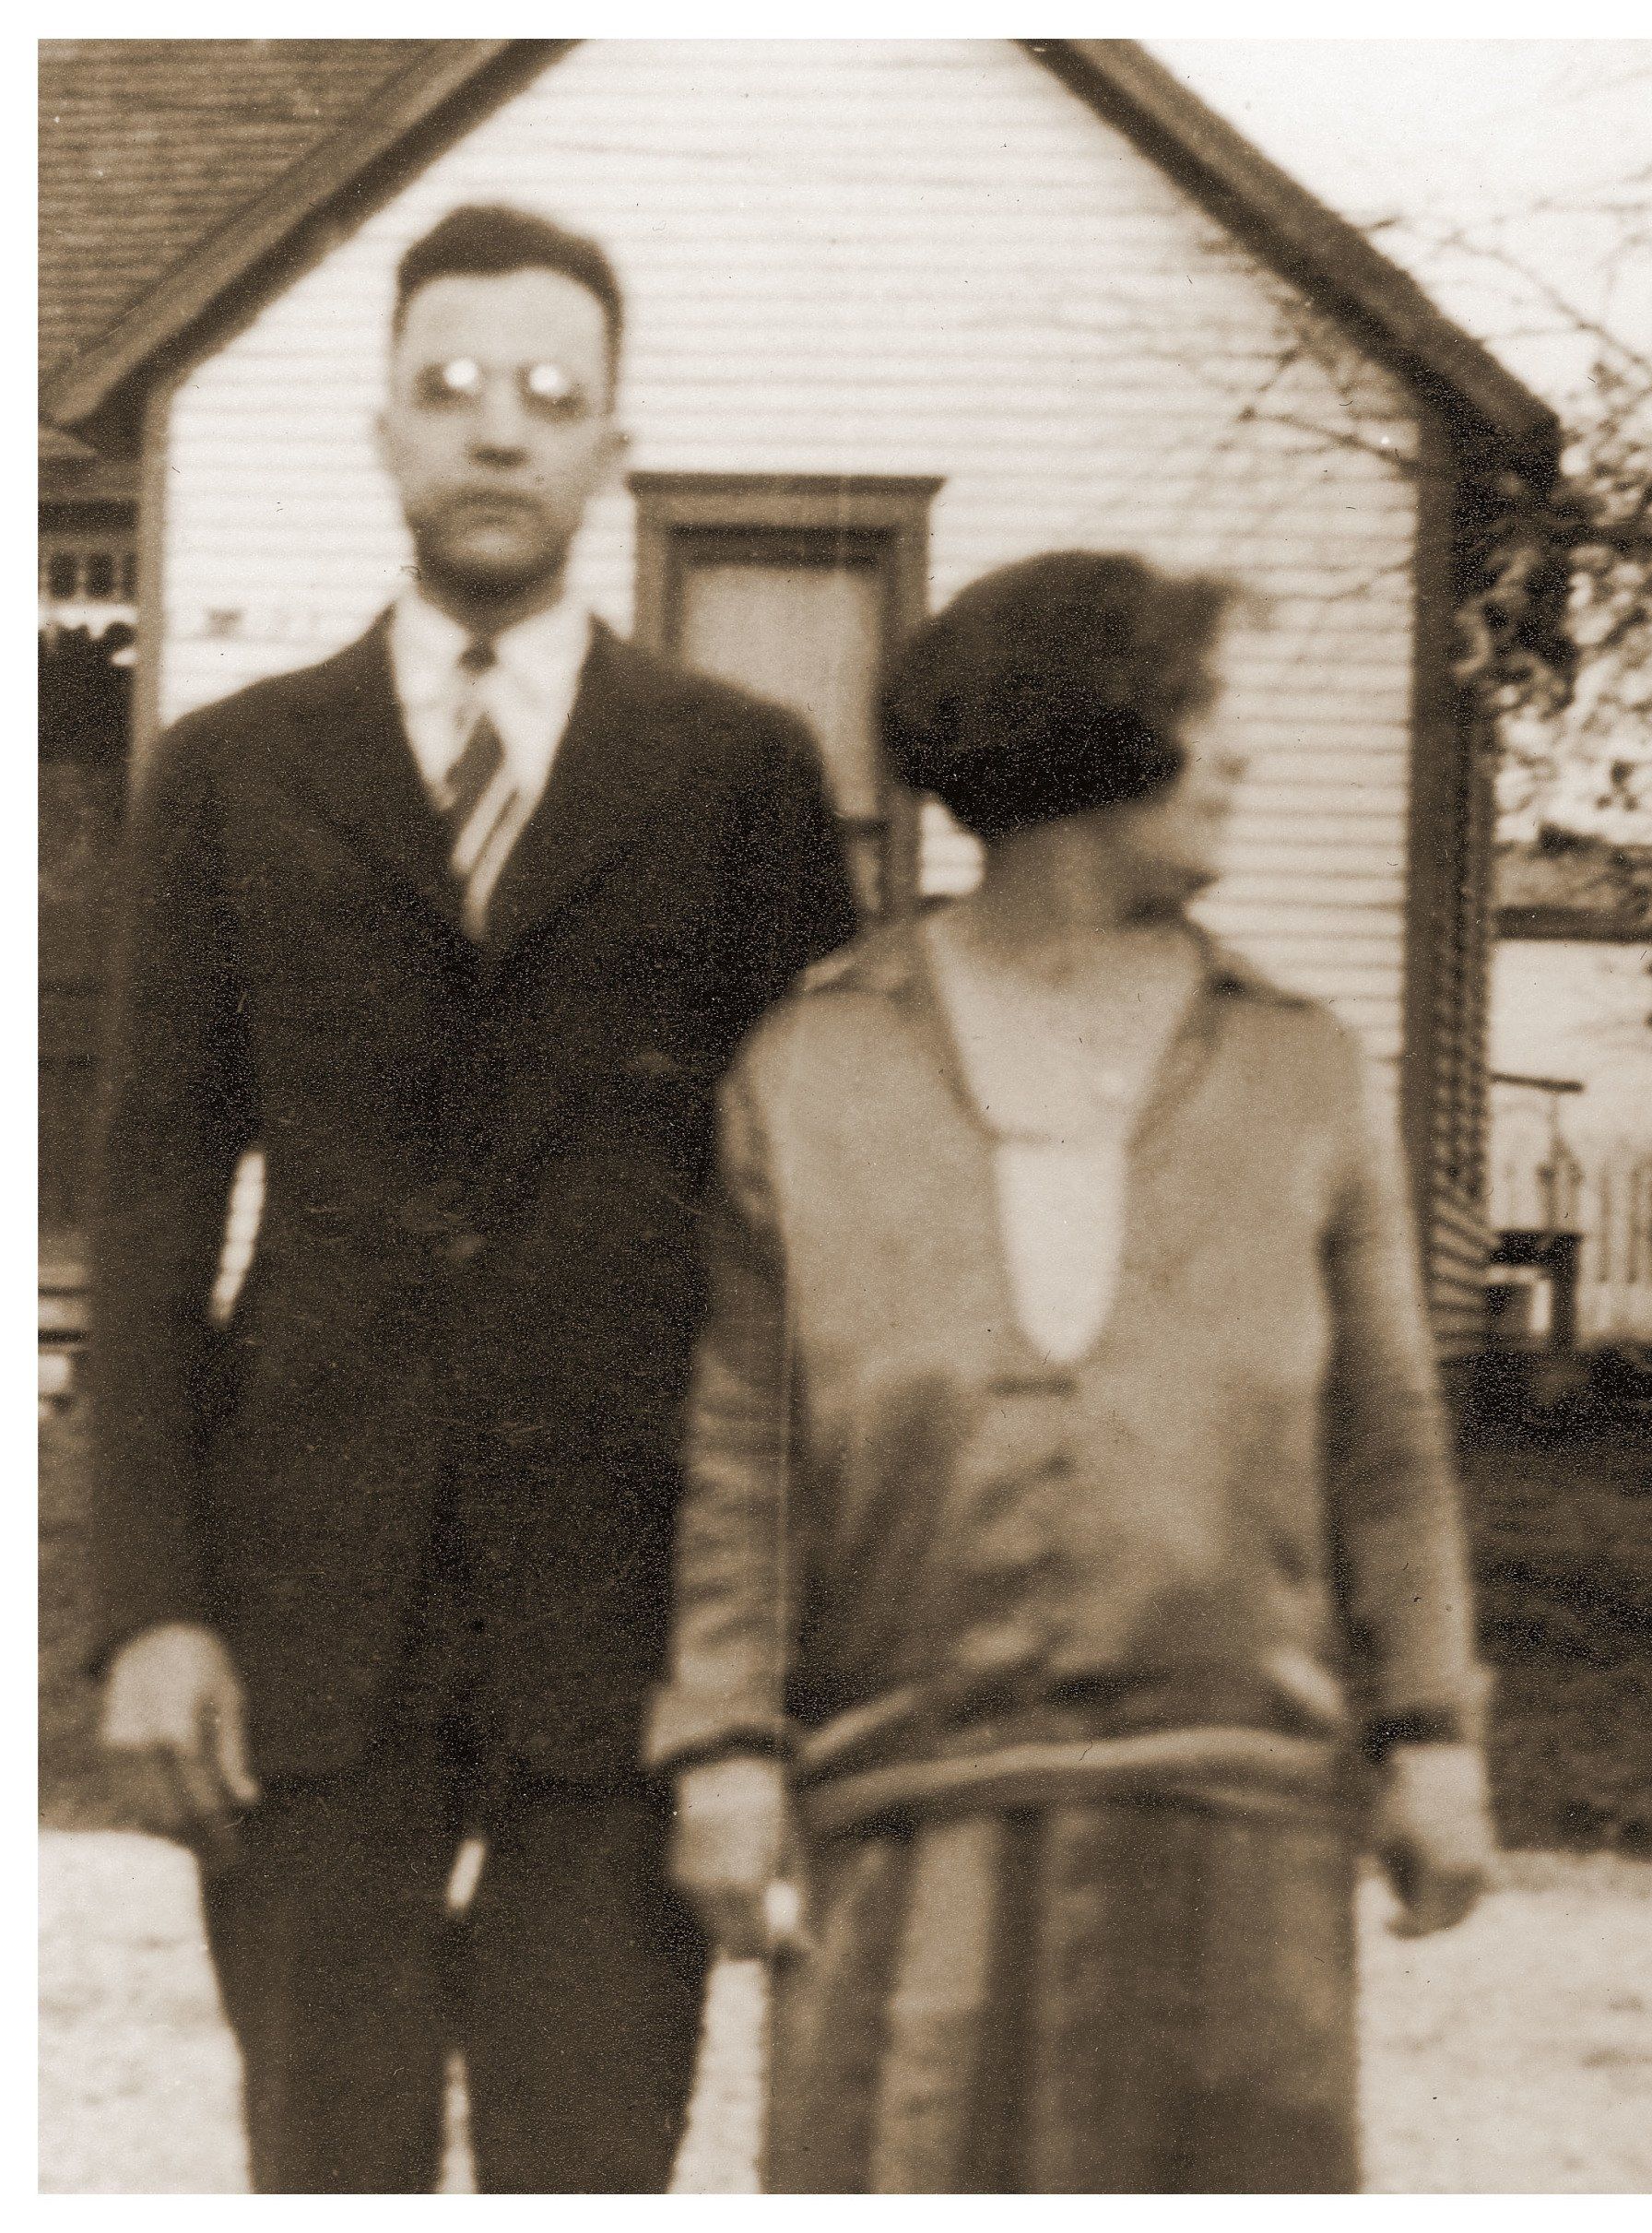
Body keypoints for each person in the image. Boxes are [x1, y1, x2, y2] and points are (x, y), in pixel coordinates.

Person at [88, 203, 856, 2193]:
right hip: (306, 1595)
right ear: (384, 437)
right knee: (322, 2151)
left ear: (612, 446)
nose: (495, 432)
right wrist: (151, 1603)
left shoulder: (739, 775)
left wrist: (765, 1669)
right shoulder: (233, 772)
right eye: (449, 390)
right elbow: (156, 1204)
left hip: (626, 1607)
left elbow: (812, 1244)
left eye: (549, 397)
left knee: (590, 2146)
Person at [649, 550, 1495, 2192]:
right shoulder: (815, 1064)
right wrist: (724, 1749)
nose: (1240, 752)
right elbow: (746, 1444)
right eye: (1204, 709)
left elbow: (1385, 1438)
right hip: (904, 1794)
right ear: (1084, 737)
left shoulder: (1301, 1065)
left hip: (1240, 1802)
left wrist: (1434, 1728)